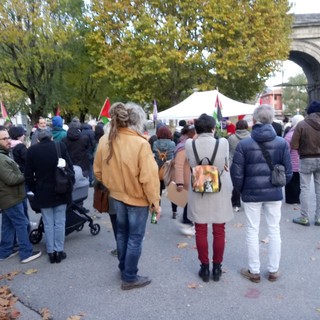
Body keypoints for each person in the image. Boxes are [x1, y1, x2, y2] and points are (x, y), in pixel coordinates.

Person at [94, 102, 161, 290]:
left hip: (116, 196)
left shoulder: (105, 140)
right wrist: (155, 202)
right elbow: (149, 179)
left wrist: (113, 184)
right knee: (134, 237)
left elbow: (98, 172)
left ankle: (125, 268)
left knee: (122, 234)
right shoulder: (140, 143)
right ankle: (129, 276)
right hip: (137, 199)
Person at [231, 104, 292, 283]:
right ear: (272, 119)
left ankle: (254, 270)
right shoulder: (281, 143)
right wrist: (279, 185)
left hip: (251, 192)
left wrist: (243, 189)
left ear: (255, 120)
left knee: (252, 229)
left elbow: (236, 173)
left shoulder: (244, 144)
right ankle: (273, 270)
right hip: (274, 192)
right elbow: (288, 172)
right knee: (274, 230)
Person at [185, 114, 234, 282]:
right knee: (219, 229)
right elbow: (226, 163)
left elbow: (190, 162)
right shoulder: (223, 143)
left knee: (200, 229)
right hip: (218, 189)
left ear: (196, 129)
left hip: (199, 189)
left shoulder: (189, 144)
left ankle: (204, 267)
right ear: (213, 128)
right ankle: (217, 267)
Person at [25, 130, 74, 263]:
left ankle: (51, 252)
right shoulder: (60, 147)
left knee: (48, 223)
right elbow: (70, 169)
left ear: (38, 140)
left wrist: (35, 189)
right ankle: (59, 250)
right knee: (60, 222)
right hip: (61, 189)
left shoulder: (32, 151)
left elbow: (28, 175)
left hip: (43, 191)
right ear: (51, 137)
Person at [0, 126, 42, 263]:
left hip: (9, 197)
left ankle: (5, 251)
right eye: (4, 138)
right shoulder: (1, 158)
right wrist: (25, 176)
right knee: (22, 223)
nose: (9, 141)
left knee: (8, 225)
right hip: (11, 197)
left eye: (8, 138)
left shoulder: (4, 155)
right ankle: (26, 253)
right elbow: (11, 179)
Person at [291, 101, 320, 226]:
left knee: (305, 188)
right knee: (319, 189)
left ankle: (304, 217)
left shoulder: (301, 124)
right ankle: (319, 218)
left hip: (306, 158)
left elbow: (294, 144)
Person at [174, 124, 196, 235]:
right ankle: (186, 222)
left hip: (193, 180)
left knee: (190, 202)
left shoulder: (191, 145)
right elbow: (179, 165)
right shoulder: (183, 147)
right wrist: (179, 182)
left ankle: (187, 222)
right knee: (188, 202)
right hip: (187, 181)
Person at [152, 125, 177, 219]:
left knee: (157, 193)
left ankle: (155, 216)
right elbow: (173, 157)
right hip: (169, 169)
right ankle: (174, 212)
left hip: (157, 170)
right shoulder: (172, 144)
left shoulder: (154, 143)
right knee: (172, 191)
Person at [228, 120, 251, 212]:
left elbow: (228, 151)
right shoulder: (251, 137)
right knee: (248, 183)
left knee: (236, 185)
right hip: (248, 163)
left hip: (234, 163)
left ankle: (235, 204)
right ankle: (249, 202)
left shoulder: (231, 138)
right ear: (246, 126)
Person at [284, 115, 304, 204]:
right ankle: (298, 199)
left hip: (292, 163)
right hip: (303, 162)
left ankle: (291, 199)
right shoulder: (306, 132)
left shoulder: (290, 134)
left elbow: (286, 150)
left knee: (291, 182)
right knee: (300, 183)